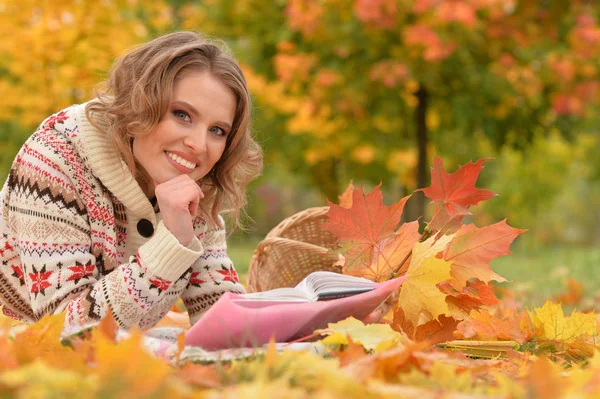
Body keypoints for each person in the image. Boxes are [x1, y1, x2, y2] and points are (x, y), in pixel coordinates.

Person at [0, 31, 262, 335]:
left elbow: (219, 315)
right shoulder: (55, 158)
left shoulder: (193, 187)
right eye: (182, 114)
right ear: (141, 103)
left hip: (116, 361)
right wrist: (172, 242)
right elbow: (66, 330)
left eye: (217, 130)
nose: (199, 144)